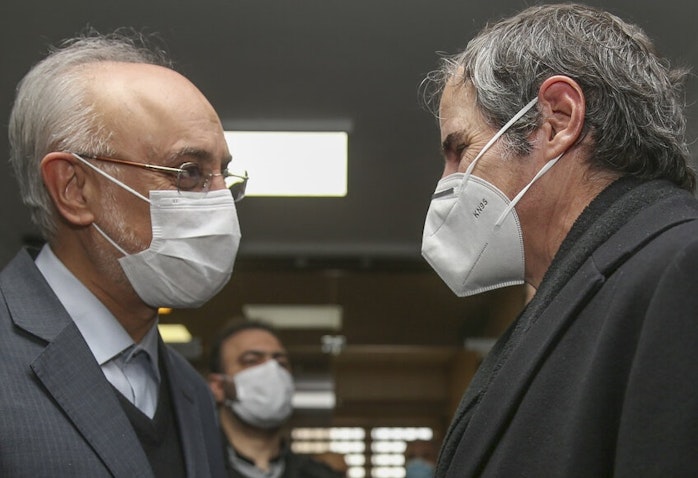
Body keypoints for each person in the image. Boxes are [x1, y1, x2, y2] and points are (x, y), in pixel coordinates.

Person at [420, 3, 698, 477]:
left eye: (460, 148)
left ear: (557, 119)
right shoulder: (578, 293)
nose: (445, 183)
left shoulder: (680, 272)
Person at [0, 30, 247, 477]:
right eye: (188, 172)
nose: (220, 202)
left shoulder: (191, 392)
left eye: (223, 175)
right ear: (75, 189)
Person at [208, 321, 344, 478]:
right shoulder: (192, 469)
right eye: (251, 360)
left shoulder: (321, 475)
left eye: (281, 363)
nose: (272, 371)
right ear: (218, 387)